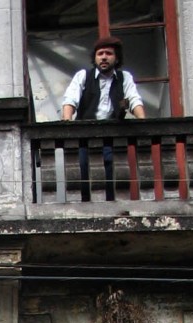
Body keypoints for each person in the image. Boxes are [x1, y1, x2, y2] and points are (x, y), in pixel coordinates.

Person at [61, 36, 146, 200]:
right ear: (95, 58)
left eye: (109, 53)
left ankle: (112, 204)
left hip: (111, 136)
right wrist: (67, 124)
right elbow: (70, 100)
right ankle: (85, 206)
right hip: (84, 136)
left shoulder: (124, 77)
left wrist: (143, 122)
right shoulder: (83, 76)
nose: (104, 57)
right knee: (82, 171)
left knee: (111, 171)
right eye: (100, 54)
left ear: (116, 58)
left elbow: (134, 100)